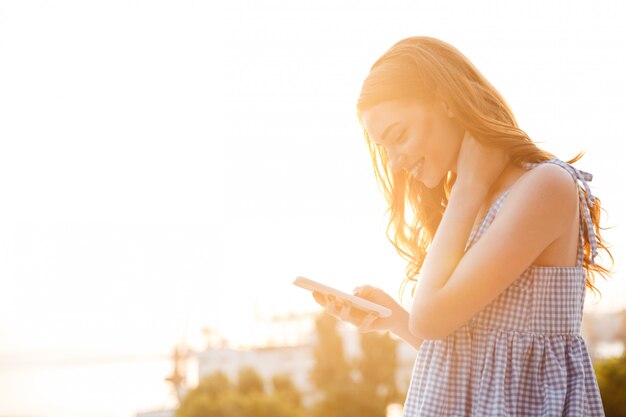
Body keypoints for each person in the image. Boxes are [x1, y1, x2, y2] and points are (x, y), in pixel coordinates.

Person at [313, 36, 611, 416]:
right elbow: (473, 355)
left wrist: (469, 188)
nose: (397, 162)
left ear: (447, 104)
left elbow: (433, 320)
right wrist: (394, 320)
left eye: (399, 136)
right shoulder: (470, 200)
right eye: (385, 149)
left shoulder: (544, 186)